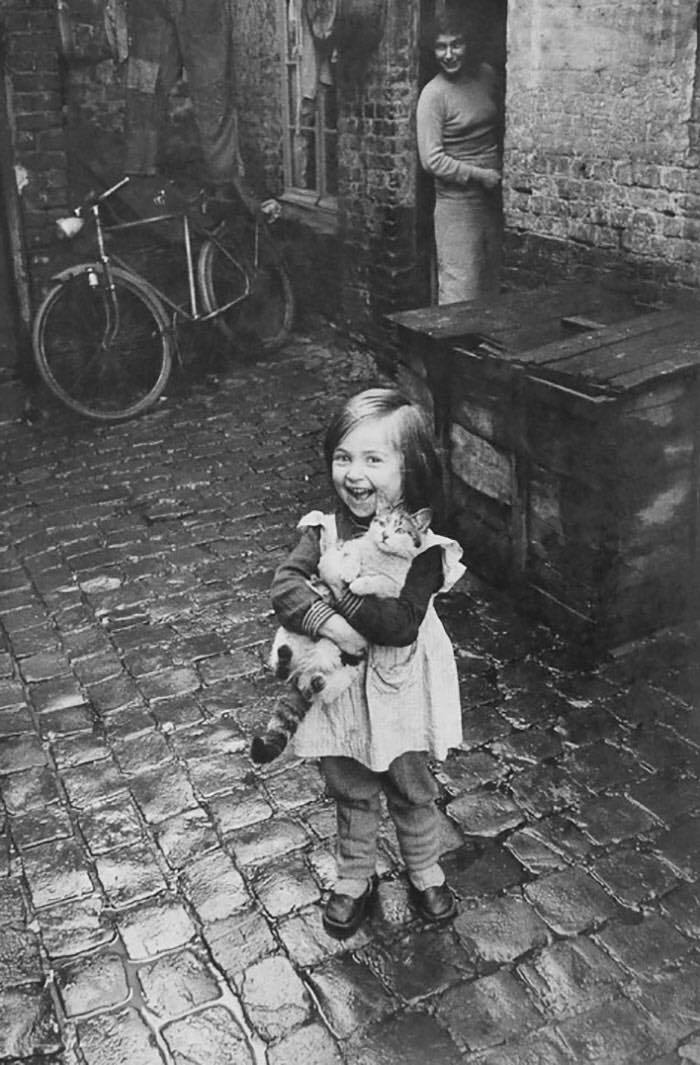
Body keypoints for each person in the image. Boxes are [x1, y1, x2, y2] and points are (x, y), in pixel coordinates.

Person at [270, 388, 465, 940]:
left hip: (402, 688)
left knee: (410, 783)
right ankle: (355, 875)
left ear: (411, 468)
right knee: (350, 784)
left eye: (374, 459)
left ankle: (423, 866)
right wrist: (332, 626)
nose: (354, 474)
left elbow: (399, 624)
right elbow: (285, 586)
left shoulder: (424, 549)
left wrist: (340, 595)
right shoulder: (322, 531)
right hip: (343, 695)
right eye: (343, 457)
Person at [416, 12, 503, 305]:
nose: (449, 54)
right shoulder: (433, 95)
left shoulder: (486, 76)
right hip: (457, 205)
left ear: (469, 45)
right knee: (460, 288)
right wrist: (480, 175)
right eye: (441, 47)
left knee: (491, 283)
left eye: (456, 44)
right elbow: (431, 160)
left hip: (492, 199)